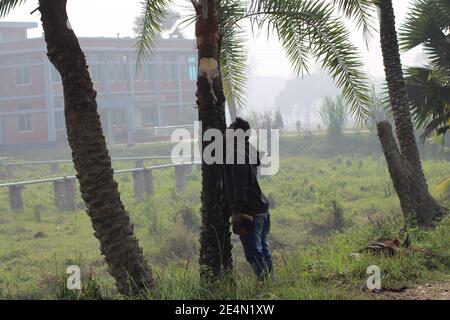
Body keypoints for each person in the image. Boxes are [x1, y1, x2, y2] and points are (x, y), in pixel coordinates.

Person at [222, 117, 273, 278]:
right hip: (261, 208)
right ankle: (271, 283)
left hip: (249, 212)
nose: (225, 130)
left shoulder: (236, 154)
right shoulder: (247, 150)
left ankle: (264, 286)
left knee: (254, 252)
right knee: (263, 249)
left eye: (230, 128)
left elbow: (240, 185)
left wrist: (236, 212)